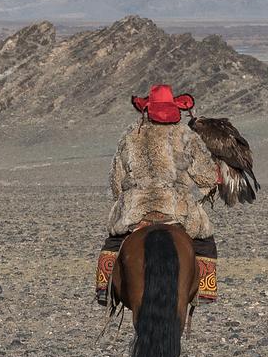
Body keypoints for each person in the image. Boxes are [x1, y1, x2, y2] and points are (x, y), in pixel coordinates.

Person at [95, 84, 222, 306]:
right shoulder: (186, 135)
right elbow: (206, 176)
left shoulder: (131, 136)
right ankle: (205, 289)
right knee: (205, 241)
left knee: (113, 243)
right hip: (177, 208)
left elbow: (116, 180)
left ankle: (103, 288)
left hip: (136, 208)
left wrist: (123, 200)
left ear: (147, 109)